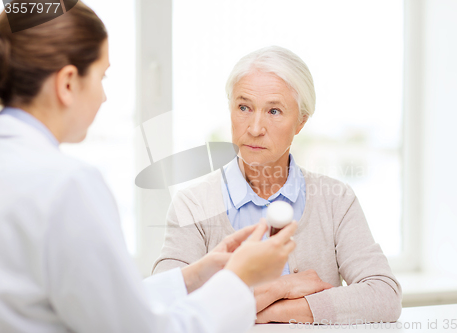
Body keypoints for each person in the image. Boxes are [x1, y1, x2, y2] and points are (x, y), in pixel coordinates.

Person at [0, 2, 297, 333]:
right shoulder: (68, 185)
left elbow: (101, 305)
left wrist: (193, 277)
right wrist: (239, 280)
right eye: (102, 75)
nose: (103, 96)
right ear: (68, 83)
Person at [153, 46, 403, 325]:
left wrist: (269, 309)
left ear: (300, 122)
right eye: (244, 107)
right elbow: (161, 307)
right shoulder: (193, 204)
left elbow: (384, 295)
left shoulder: (336, 200)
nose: (255, 127)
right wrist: (283, 288)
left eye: (274, 111)